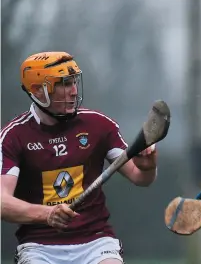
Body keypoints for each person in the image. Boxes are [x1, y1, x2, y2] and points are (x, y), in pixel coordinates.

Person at [1, 52, 158, 264]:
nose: (74, 91)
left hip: (95, 242)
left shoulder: (98, 125)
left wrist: (148, 167)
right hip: (40, 247)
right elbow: (2, 202)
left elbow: (140, 178)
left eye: (74, 82)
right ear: (38, 90)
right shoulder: (13, 136)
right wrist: (46, 214)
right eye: (64, 84)